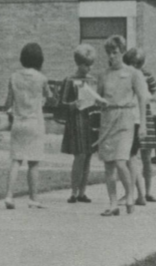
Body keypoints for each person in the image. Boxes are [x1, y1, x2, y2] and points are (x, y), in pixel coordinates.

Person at [97, 35, 148, 216]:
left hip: (126, 119)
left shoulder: (134, 74)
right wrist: (99, 102)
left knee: (121, 161)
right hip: (108, 119)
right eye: (109, 53)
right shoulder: (103, 75)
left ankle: (130, 195)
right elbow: (99, 97)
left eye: (115, 52)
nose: (111, 56)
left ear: (122, 52)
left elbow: (143, 99)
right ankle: (113, 203)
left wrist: (143, 124)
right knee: (109, 164)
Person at [3, 43, 53, 210]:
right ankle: (33, 198)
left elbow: (8, 102)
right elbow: (50, 97)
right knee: (33, 163)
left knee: (16, 160)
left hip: (18, 122)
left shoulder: (14, 77)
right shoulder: (41, 78)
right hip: (35, 122)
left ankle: (9, 195)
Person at [60, 44, 98, 204]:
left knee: (88, 156)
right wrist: (73, 104)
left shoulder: (93, 80)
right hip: (76, 121)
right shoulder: (69, 80)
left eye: (90, 65)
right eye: (85, 65)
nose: (88, 68)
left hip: (90, 120)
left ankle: (83, 191)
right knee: (79, 156)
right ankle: (74, 191)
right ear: (78, 63)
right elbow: (61, 104)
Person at [123, 47, 156, 205]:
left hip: (145, 116)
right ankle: (137, 192)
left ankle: (147, 191)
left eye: (137, 63)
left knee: (145, 157)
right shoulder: (125, 74)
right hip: (135, 116)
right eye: (131, 62)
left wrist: (149, 97)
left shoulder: (147, 75)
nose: (134, 66)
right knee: (133, 156)